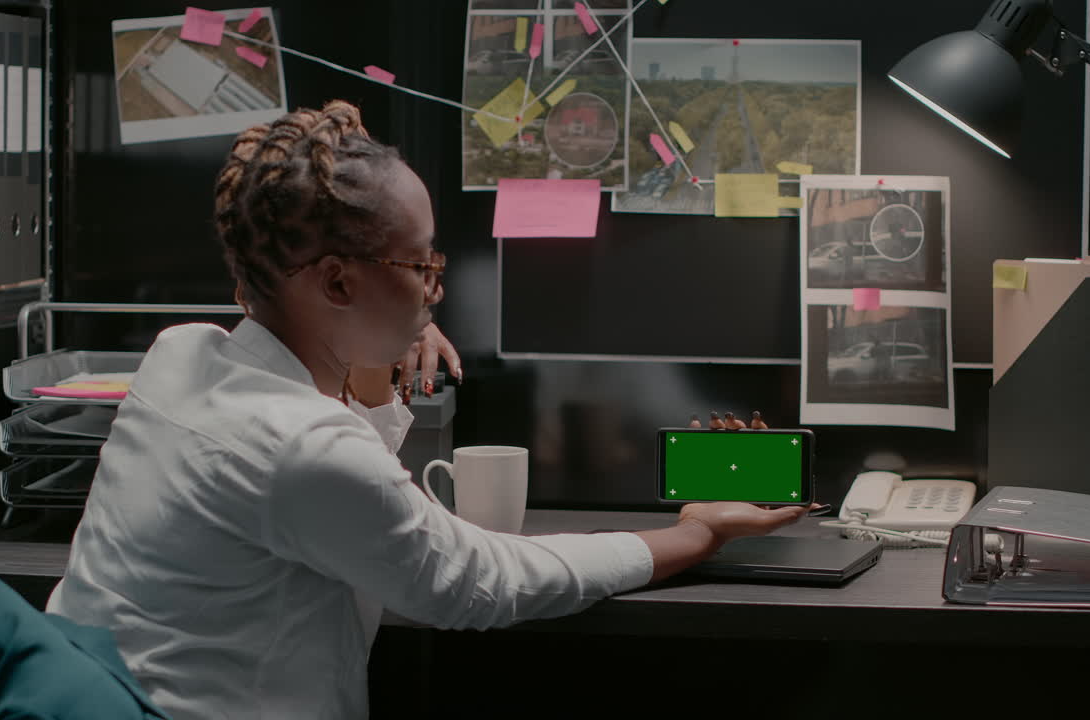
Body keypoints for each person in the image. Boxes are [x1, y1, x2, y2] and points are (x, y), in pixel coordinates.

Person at [46, 100, 808, 719]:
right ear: (338, 284)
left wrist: (370, 363)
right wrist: (692, 534)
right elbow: (482, 581)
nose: (436, 289)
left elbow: (345, 486)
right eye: (421, 265)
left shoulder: (181, 355)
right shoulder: (301, 447)